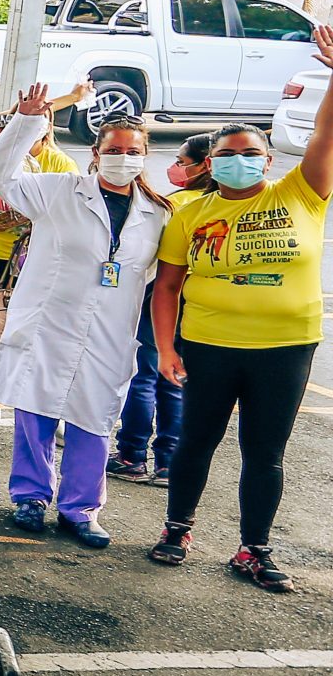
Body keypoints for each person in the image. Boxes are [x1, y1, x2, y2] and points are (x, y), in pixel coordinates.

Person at [149, 31, 333, 590]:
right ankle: (177, 529)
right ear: (211, 164)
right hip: (210, 344)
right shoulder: (189, 214)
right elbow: (167, 287)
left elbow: (327, 134)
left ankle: (254, 549)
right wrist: (164, 347)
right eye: (227, 156)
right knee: (196, 441)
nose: (239, 162)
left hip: (286, 345)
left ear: (269, 159)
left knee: (265, 452)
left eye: (251, 155)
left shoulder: (301, 192)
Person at [0, 86, 168, 543]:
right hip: (49, 323)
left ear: (145, 156)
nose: (124, 157)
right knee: (35, 411)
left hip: (109, 332)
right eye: (114, 150)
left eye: (133, 151)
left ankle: (81, 509)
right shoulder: (58, 191)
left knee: (94, 417)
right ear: (95, 155)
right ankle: (29, 497)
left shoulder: (159, 214)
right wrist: (25, 122)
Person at [0, 101, 82, 430]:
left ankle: (47, 409)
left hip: (36, 263)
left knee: (41, 334)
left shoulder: (61, 164)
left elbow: (68, 215)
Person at [109, 133, 212, 479]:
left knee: (143, 374)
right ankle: (169, 460)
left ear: (203, 165)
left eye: (183, 162)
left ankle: (131, 454)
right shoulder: (224, 203)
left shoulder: (177, 204)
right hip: (198, 303)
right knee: (176, 378)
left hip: (162, 298)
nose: (176, 167)